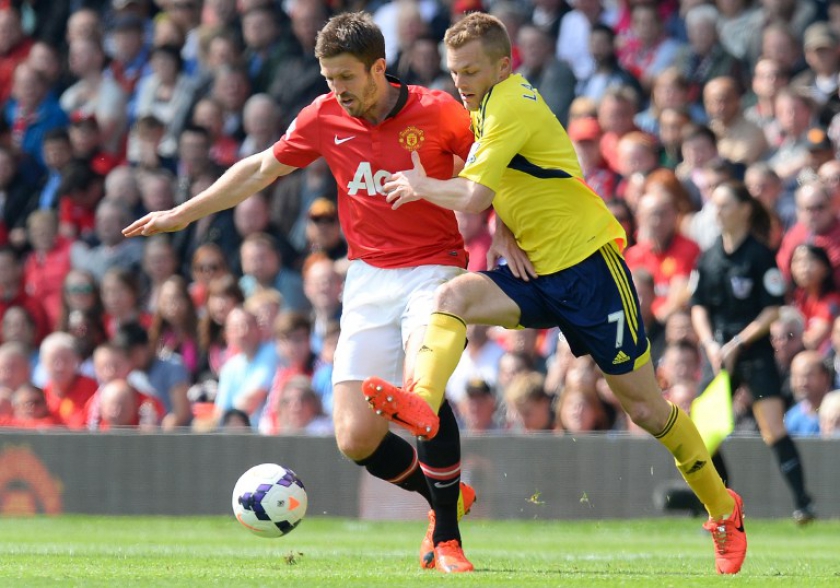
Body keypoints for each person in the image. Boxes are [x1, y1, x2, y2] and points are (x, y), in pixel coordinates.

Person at [362, 12, 746, 575]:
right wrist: (505, 228)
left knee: (644, 407)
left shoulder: (512, 102)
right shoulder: (483, 104)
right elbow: (517, 177)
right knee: (452, 299)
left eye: (471, 70)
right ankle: (423, 398)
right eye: (454, 71)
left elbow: (472, 194)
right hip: (536, 271)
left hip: (590, 269)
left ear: (504, 64)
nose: (461, 80)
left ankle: (722, 508)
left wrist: (423, 186)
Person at [122, 12, 480, 573]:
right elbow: (260, 169)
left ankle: (449, 537)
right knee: (355, 437)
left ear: (379, 68)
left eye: (347, 78)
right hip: (365, 279)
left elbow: (491, 172)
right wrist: (181, 214)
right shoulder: (323, 116)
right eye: (328, 78)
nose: (337, 89)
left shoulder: (439, 112)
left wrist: (501, 224)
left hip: (432, 270)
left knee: (421, 393)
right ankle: (445, 494)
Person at [690, 181, 815, 524]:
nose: (717, 212)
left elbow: (773, 309)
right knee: (703, 433)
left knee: (773, 428)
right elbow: (697, 307)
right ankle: (724, 508)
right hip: (718, 355)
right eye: (715, 205)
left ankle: (803, 503)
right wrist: (711, 344)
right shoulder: (709, 256)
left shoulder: (759, 256)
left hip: (753, 351)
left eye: (724, 205)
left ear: (744, 209)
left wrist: (739, 343)